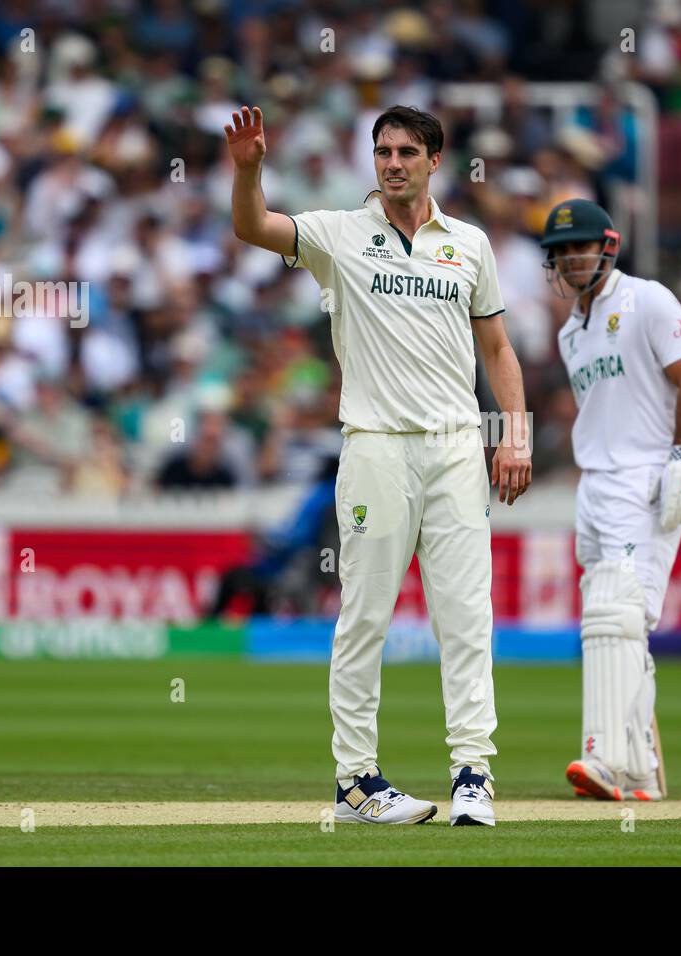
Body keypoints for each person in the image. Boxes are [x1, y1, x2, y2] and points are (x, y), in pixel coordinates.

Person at [225, 103, 531, 826]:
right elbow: (252, 226)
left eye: (406, 151)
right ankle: (357, 781)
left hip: (457, 446)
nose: (392, 162)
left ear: (433, 160)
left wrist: (513, 432)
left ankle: (472, 775)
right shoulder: (339, 234)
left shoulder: (469, 245)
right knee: (364, 615)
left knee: (465, 618)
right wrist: (249, 174)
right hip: (375, 445)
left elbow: (498, 350)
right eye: (382, 150)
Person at [542, 198, 681, 801]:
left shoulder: (648, 299)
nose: (569, 258)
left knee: (620, 612)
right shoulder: (569, 331)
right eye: (559, 251)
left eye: (579, 246)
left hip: (644, 477)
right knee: (616, 620)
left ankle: (606, 757)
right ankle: (640, 767)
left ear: (608, 245)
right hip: (594, 483)